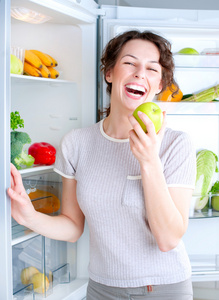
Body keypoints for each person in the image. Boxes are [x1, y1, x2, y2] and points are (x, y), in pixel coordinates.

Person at [8, 30, 196, 300]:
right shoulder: (77, 143)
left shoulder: (175, 144)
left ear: (159, 85)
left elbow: (168, 239)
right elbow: (73, 227)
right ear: (109, 73)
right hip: (101, 289)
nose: (140, 73)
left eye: (152, 69)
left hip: (163, 289)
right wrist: (29, 216)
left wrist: (149, 161)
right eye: (129, 63)